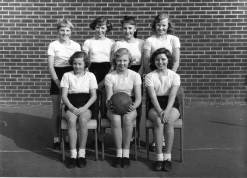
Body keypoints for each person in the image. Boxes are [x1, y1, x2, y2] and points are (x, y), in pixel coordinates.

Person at [143, 13, 181, 151]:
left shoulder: (173, 39)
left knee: (169, 109)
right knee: (156, 109)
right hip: (154, 77)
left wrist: (170, 76)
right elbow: (146, 62)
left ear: (168, 26)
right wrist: (153, 75)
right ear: (155, 25)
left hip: (169, 76)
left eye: (164, 25)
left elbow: (175, 61)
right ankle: (157, 141)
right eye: (158, 25)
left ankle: (166, 145)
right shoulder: (150, 40)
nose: (161, 27)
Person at [105, 48, 142, 168]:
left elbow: (138, 98)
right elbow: (109, 98)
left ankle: (126, 154)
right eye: (119, 60)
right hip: (114, 106)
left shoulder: (135, 75)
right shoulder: (110, 76)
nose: (122, 63)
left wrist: (134, 107)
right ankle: (118, 154)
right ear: (115, 61)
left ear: (129, 61)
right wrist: (109, 105)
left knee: (127, 119)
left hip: (130, 106)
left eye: (125, 60)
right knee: (115, 119)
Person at [47, 19, 81, 150]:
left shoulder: (76, 45)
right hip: (57, 76)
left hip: (72, 76)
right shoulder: (53, 45)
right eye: (62, 30)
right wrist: (57, 81)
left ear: (71, 32)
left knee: (69, 108)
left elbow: (80, 63)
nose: (65, 33)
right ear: (58, 31)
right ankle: (56, 138)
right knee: (56, 111)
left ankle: (68, 137)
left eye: (67, 30)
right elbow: (51, 66)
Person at [145, 48, 180, 172]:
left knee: (169, 120)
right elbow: (153, 96)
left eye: (163, 59)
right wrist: (160, 111)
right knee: (159, 121)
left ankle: (167, 158)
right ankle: (159, 158)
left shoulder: (174, 76)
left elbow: (172, 95)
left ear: (168, 60)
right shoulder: (150, 76)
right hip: (155, 105)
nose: (160, 62)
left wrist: (167, 111)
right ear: (153, 61)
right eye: (157, 59)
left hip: (171, 104)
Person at [60, 51, 98, 169]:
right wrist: (71, 107)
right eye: (75, 64)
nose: (77, 66)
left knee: (82, 121)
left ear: (85, 64)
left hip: (85, 104)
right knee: (71, 121)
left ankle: (81, 155)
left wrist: (84, 108)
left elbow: (94, 96)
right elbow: (64, 96)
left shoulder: (91, 76)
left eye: (80, 64)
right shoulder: (67, 75)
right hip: (71, 103)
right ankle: (72, 155)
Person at [82, 16, 115, 148]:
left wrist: (104, 81)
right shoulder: (88, 42)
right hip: (92, 73)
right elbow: (85, 60)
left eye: (102, 27)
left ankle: (102, 137)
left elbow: (113, 63)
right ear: (94, 27)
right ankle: (95, 137)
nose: (100, 30)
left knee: (104, 106)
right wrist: (92, 79)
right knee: (94, 106)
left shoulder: (112, 42)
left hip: (107, 73)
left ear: (107, 28)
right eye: (97, 27)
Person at [112, 15, 145, 146]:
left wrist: (137, 77)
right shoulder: (118, 44)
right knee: (121, 103)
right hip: (122, 72)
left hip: (136, 74)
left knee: (136, 106)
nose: (127, 31)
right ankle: (126, 136)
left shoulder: (141, 42)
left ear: (135, 28)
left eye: (130, 28)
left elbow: (143, 63)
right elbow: (114, 63)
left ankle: (134, 136)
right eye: (124, 28)